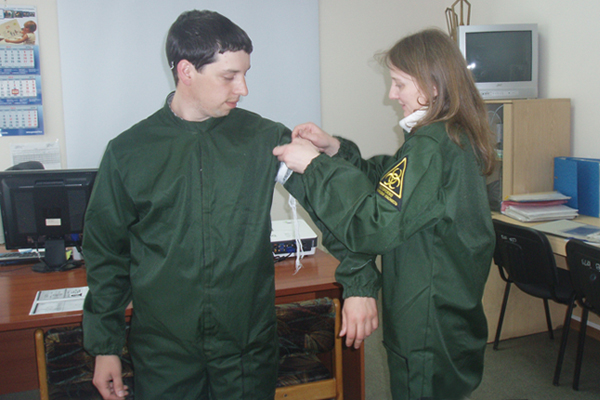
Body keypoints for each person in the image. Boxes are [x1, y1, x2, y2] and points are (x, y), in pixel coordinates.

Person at [82, 9, 372, 400]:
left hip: (245, 350)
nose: (243, 88)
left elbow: (334, 208)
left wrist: (359, 284)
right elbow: (106, 254)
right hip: (165, 352)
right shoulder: (129, 152)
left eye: (245, 74)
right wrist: (105, 346)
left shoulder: (263, 138)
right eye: (229, 76)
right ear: (187, 71)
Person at [274, 28, 496, 399]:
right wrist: (335, 149)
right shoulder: (448, 134)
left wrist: (315, 167)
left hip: (427, 315)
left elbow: (375, 225)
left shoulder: (430, 146)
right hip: (446, 306)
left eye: (399, 84)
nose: (392, 95)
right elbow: (389, 181)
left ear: (432, 86)